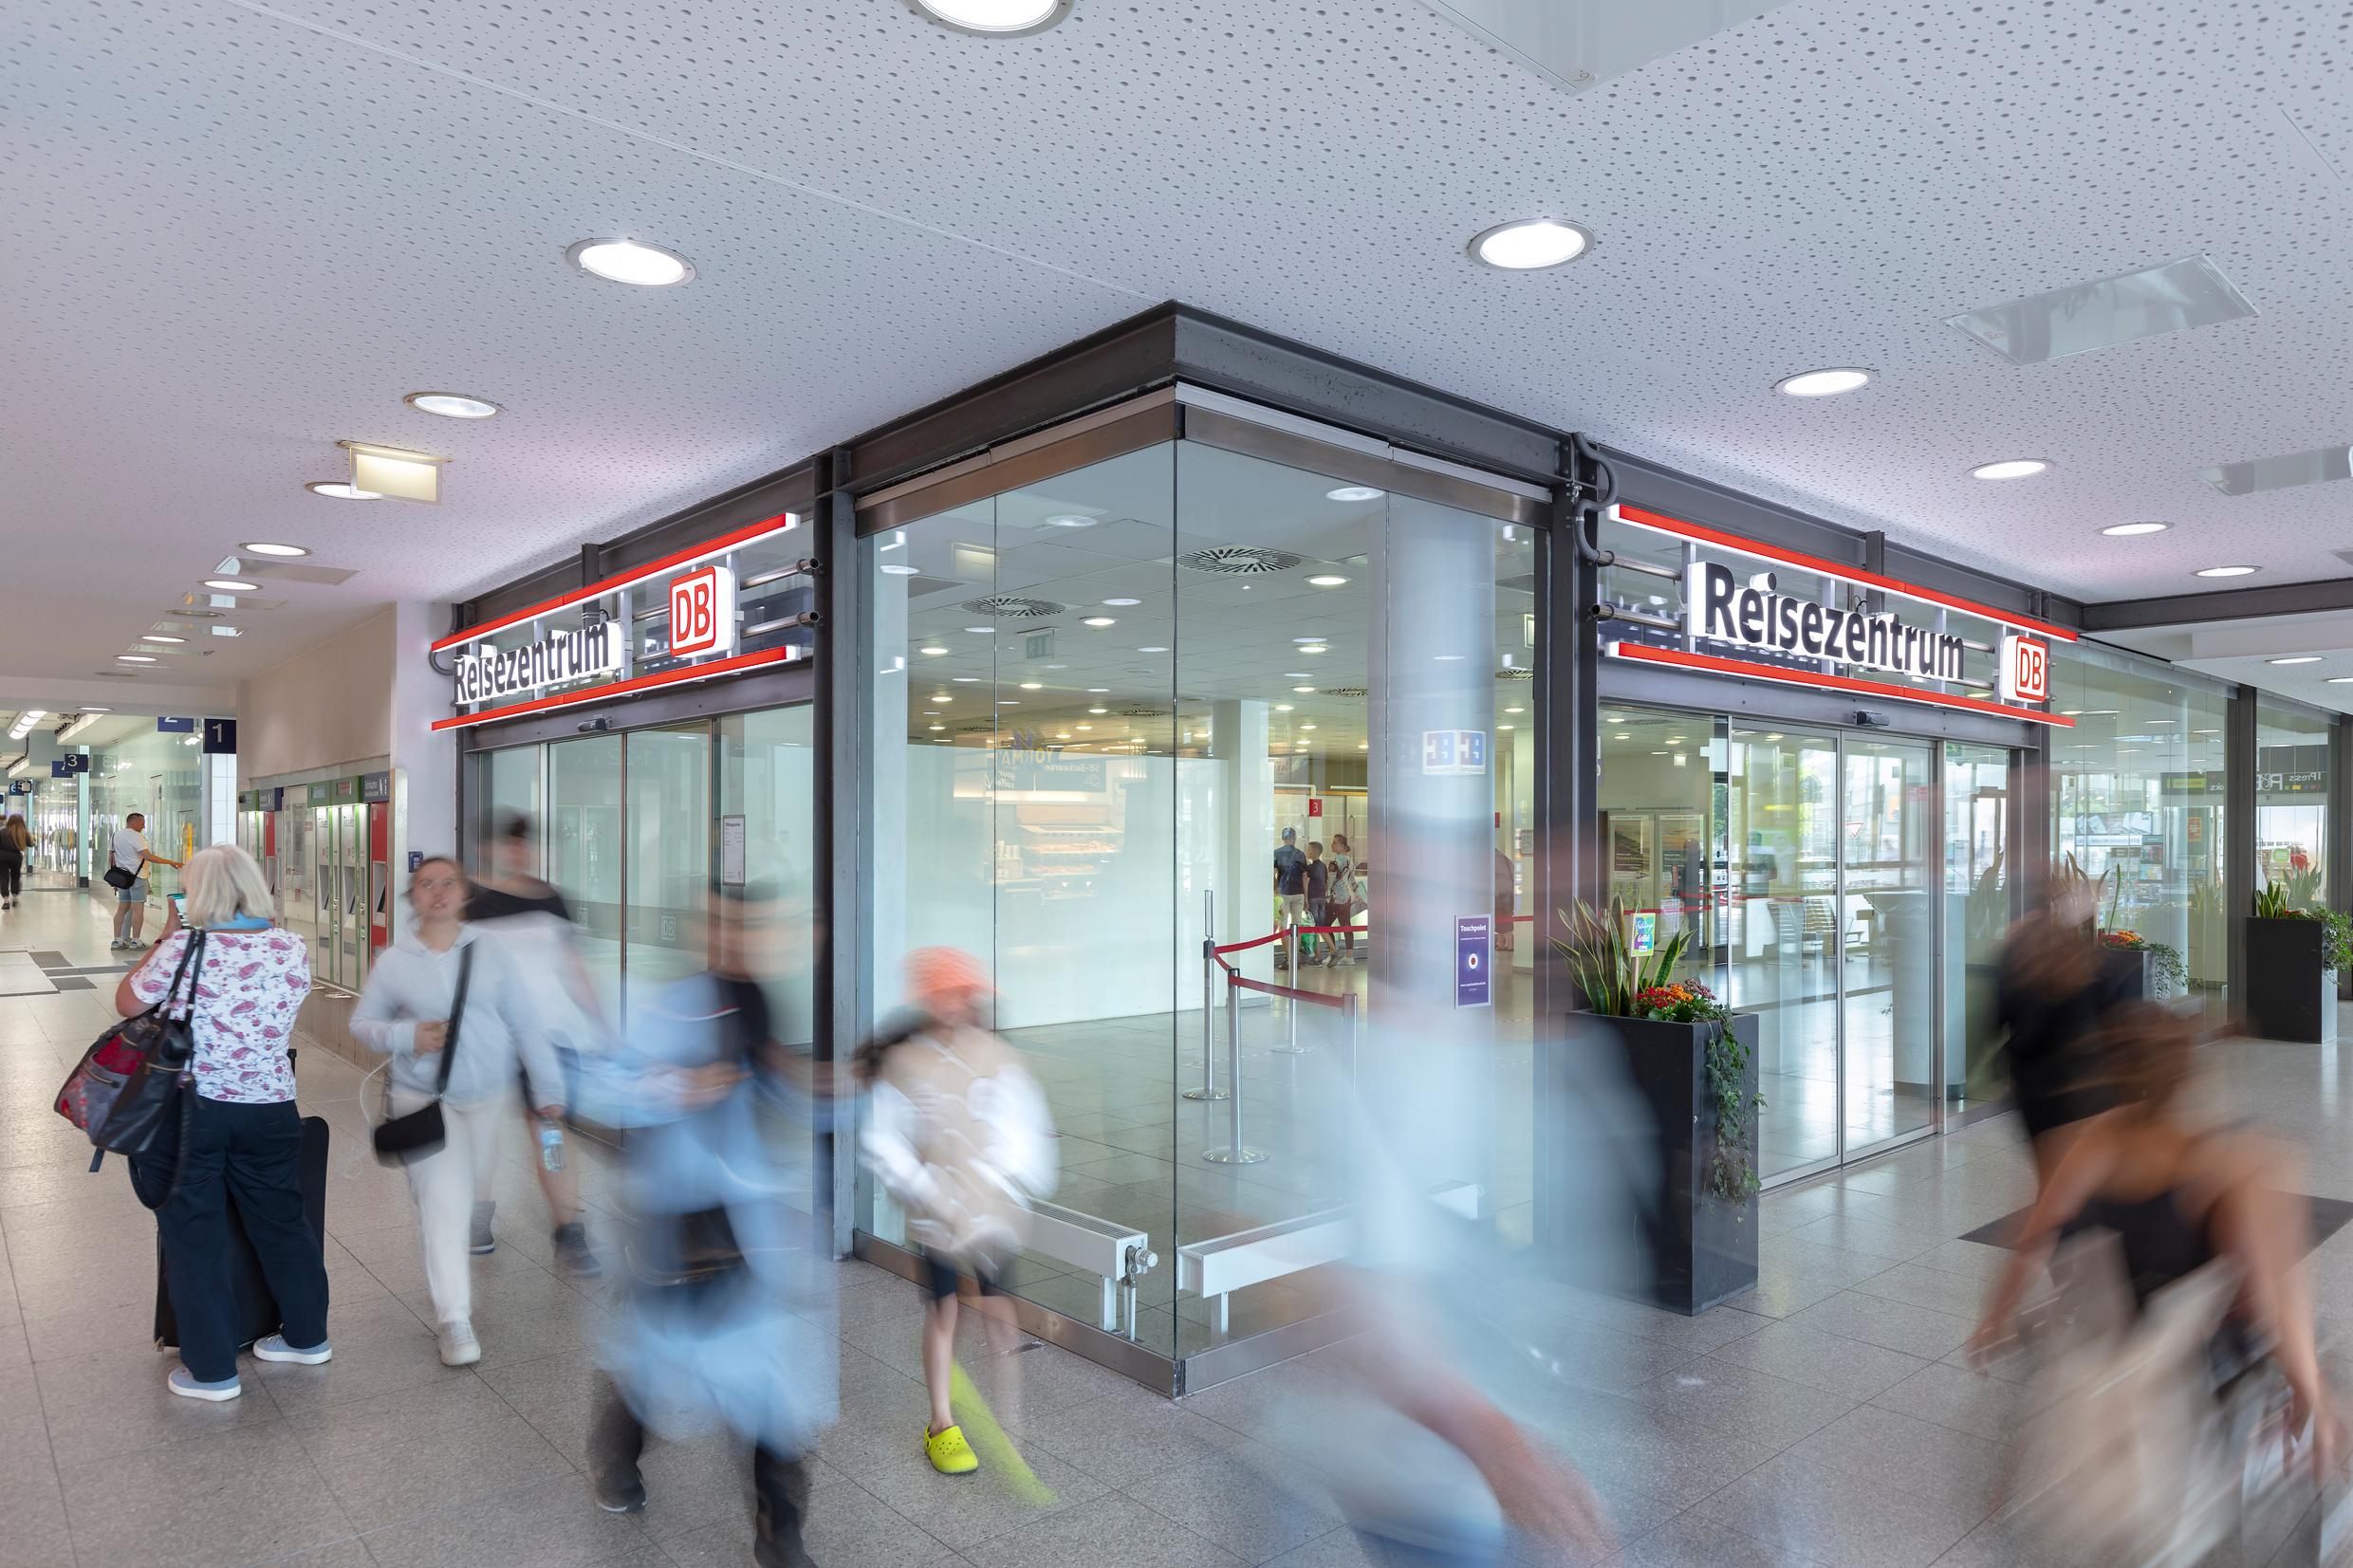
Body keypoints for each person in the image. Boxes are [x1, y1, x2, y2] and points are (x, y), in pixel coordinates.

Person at [1968, 1002, 2341, 1481]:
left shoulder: (2089, 1141)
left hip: (2111, 1337)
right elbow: (2267, 1299)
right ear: (2189, 1072)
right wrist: (2310, 1389)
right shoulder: (2227, 1161)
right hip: (2195, 1354)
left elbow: (2031, 1242)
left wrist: (1993, 1320)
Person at [584, 888, 836, 1566]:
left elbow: (778, 1092)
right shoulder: (676, 1002)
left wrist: (826, 1088)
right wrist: (679, 1086)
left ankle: (780, 1530)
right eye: (728, 926)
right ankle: (618, 1455)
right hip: (676, 1217)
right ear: (706, 933)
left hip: (749, 1227)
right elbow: (600, 1082)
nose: (744, 939)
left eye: (755, 926)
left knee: (768, 1384)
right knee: (651, 1360)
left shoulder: (759, 1002)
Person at [114, 843, 327, 1401]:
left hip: (195, 1112)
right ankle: (308, 1338)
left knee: (195, 1235)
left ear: (196, 895)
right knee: (283, 1224)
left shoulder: (184, 947)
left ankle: (211, 1371)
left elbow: (127, 1003)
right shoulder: (290, 947)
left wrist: (167, 935)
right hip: (273, 1108)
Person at [351, 856, 564, 1367]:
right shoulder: (395, 961)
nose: (440, 892)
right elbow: (363, 1023)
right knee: (444, 1205)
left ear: (465, 894)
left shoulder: (489, 950)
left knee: (470, 1197)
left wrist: (548, 1085)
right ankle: (454, 1319)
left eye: (449, 883)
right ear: (413, 898)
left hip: (488, 1098)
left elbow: (525, 1021)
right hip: (426, 1101)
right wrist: (407, 1036)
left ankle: (455, 1294)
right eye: (428, 884)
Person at [857, 947, 1055, 1476]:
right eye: (944, 993)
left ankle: (1011, 1423)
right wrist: (928, 1190)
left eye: (962, 993)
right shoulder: (905, 1063)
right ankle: (941, 1423)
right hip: (938, 1218)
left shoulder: (996, 1057)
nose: (955, 1003)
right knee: (944, 1310)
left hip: (991, 1213)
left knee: (1000, 1313)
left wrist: (1004, 1180)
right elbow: (882, 1138)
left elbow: (1024, 1129)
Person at [465, 812, 604, 1277]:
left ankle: (569, 1229)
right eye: (509, 844)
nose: (517, 853)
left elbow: (571, 966)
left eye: (524, 845)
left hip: (546, 1037)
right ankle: (478, 1215)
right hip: (488, 1035)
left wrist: (600, 1021)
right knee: (482, 1127)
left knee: (549, 1129)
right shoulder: (471, 901)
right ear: (490, 849)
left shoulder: (551, 898)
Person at [1994, 880, 2136, 1190]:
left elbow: (1998, 1017)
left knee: (2051, 1170)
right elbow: (2116, 1017)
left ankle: (2050, 1220)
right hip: (2080, 1080)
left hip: (2032, 1083)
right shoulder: (2090, 959)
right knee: (2074, 1168)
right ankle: (2060, 1218)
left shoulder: (2013, 958)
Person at [111, 811, 183, 950]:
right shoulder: (137, 836)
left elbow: (112, 857)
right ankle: (135, 940)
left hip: (122, 877)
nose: (143, 827)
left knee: (122, 909)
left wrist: (114, 879)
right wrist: (170, 862)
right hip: (138, 877)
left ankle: (117, 940)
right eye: (142, 823)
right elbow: (147, 856)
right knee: (138, 910)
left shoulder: (116, 835)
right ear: (134, 822)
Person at [1273, 826, 1307, 968]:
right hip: (1299, 893)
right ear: (1294, 838)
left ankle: (1289, 959)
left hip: (1283, 894)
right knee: (1297, 926)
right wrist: (1306, 897)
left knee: (1283, 926)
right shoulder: (1300, 854)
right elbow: (1305, 877)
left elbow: (1273, 874)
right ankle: (1295, 958)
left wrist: (1274, 891)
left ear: (1283, 838)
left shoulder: (1276, 853)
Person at [1325, 833, 1359, 964]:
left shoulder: (1336, 860)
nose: (1331, 845)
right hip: (1347, 897)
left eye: (1334, 843)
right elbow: (1352, 881)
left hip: (1336, 898)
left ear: (1342, 846)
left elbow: (1330, 879)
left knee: (1325, 925)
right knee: (1346, 925)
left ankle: (1333, 952)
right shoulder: (1350, 861)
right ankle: (1349, 955)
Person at [1302, 840, 1331, 965]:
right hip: (1322, 898)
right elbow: (1326, 883)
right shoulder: (1323, 866)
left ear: (1314, 851)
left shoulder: (1310, 868)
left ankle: (1333, 950)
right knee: (1318, 927)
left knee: (1316, 927)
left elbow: (1306, 884)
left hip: (1313, 898)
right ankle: (1318, 956)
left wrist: (1305, 899)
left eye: (1308, 849)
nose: (1306, 852)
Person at [0, 812, 27, 910]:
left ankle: (6, 901)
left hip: (2, 857)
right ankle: (15, 897)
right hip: (16, 857)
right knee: (15, 876)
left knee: (4, 877)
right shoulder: (22, 831)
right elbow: (31, 843)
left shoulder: (2, 831)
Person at [1494, 845, 1516, 953]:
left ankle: (1508, 943)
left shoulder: (1493, 859)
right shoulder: (1505, 858)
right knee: (1505, 917)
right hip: (1509, 892)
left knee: (1502, 917)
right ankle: (1502, 942)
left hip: (1500, 893)